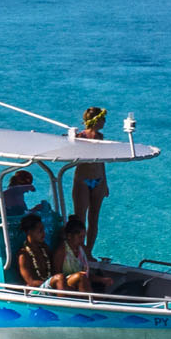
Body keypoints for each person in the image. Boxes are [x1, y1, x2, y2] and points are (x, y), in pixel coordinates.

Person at [72, 106, 111, 253]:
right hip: (83, 180)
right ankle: (78, 249)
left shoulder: (100, 137)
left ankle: (88, 251)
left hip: (98, 180)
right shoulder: (81, 137)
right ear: (96, 120)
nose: (105, 121)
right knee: (80, 218)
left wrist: (105, 182)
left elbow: (101, 161)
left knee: (94, 218)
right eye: (103, 119)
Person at [53, 215, 110, 293]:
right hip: (66, 285)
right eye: (80, 237)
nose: (82, 240)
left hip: (81, 282)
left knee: (98, 278)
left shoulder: (82, 249)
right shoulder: (61, 251)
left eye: (83, 237)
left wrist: (102, 279)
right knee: (81, 277)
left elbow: (86, 275)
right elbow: (57, 276)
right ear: (69, 236)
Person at [16, 212, 63, 288]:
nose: (44, 233)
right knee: (59, 279)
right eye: (40, 231)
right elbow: (31, 282)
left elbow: (54, 270)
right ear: (29, 232)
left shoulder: (44, 248)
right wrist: (53, 283)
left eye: (43, 230)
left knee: (79, 276)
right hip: (36, 290)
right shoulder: (23, 255)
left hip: (49, 285)